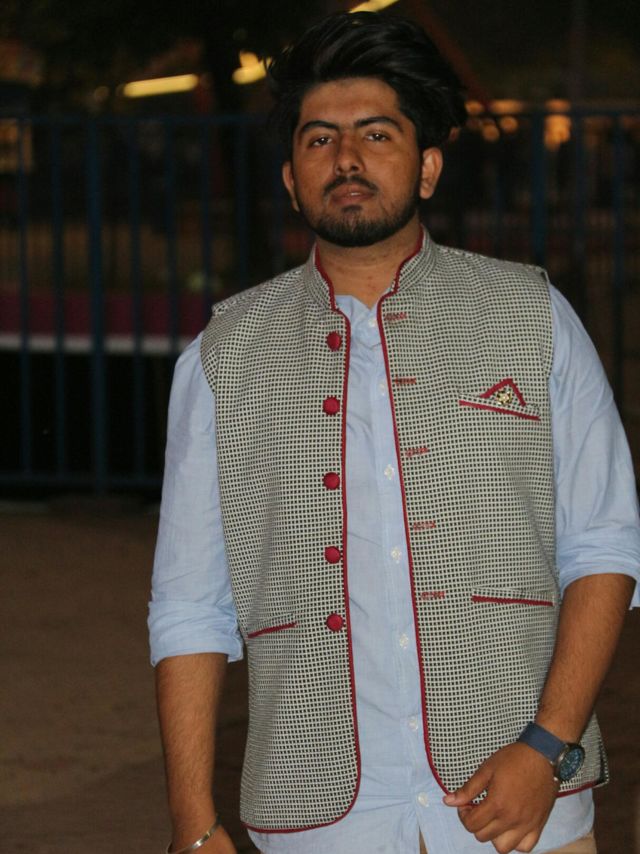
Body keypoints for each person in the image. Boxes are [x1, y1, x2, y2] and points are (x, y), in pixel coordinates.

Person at [148, 12, 640, 854]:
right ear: (291, 180)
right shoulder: (224, 357)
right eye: (319, 140)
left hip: (520, 805)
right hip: (312, 814)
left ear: (428, 167)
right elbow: (190, 606)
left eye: (377, 134)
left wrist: (548, 747)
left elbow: (603, 545)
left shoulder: (532, 317)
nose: (347, 158)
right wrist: (194, 824)